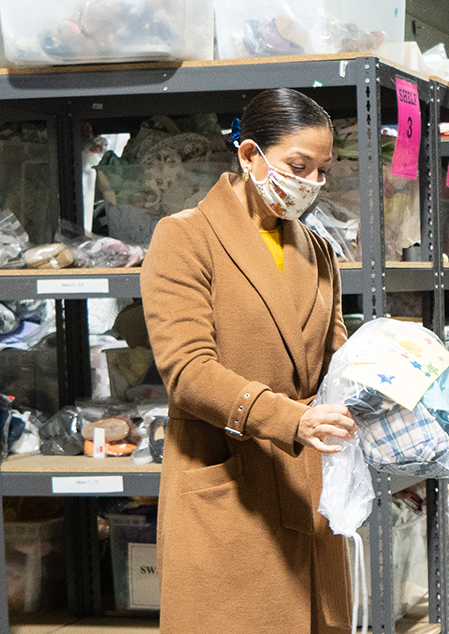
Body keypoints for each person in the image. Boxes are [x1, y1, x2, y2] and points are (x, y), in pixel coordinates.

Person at [142, 88, 357, 634]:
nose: (310, 183)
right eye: (297, 166)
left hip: (308, 487)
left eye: (321, 170)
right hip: (231, 485)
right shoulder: (184, 237)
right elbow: (187, 372)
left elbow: (335, 359)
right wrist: (292, 419)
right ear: (248, 155)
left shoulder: (317, 249)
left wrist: (389, 381)